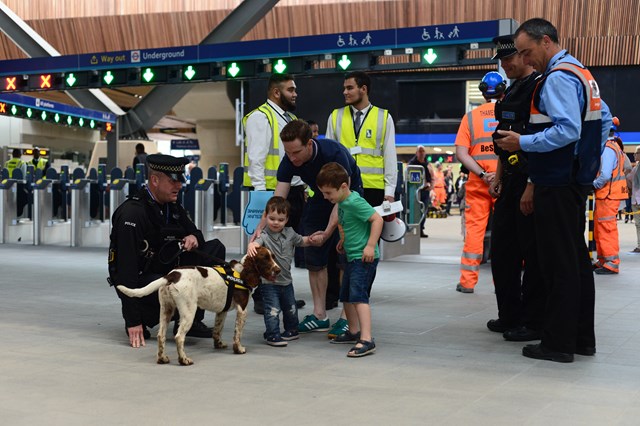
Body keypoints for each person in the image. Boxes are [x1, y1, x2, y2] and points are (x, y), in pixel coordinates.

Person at [496, 18, 612, 363]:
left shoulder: (558, 78)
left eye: (527, 52)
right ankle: (579, 339)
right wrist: (586, 162)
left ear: (546, 41)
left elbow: (567, 129)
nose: (526, 60)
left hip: (556, 182)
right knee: (575, 263)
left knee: (557, 265)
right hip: (572, 180)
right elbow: (603, 120)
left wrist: (523, 141)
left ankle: (558, 343)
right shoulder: (582, 74)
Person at [254, 119, 363, 334]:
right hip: (320, 198)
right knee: (314, 255)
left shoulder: (334, 153)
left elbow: (341, 200)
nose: (292, 158)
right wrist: (262, 226)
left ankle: (346, 317)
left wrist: (330, 232)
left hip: (349, 198)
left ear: (310, 144)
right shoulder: (289, 159)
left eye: (296, 152)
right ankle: (320, 315)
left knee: (346, 257)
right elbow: (279, 197)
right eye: (288, 152)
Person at [109, 154, 224, 348]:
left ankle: (191, 319)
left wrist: (193, 237)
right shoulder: (133, 213)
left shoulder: (172, 206)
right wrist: (133, 320)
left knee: (214, 249)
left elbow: (195, 232)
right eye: (173, 181)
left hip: (167, 271)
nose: (179, 186)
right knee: (161, 284)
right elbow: (124, 270)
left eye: (180, 180)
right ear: (154, 180)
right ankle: (145, 317)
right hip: (147, 283)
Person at [487, 34, 545, 342]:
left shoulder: (538, 87)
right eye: (503, 60)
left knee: (530, 252)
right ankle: (509, 314)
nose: (506, 64)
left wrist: (530, 186)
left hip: (528, 180)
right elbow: (501, 140)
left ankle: (532, 319)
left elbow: (539, 141)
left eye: (511, 58)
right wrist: (498, 176)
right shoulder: (510, 91)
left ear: (525, 55)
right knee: (502, 251)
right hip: (509, 179)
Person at [243, 73, 306, 314]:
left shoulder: (289, 117)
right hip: (271, 193)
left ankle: (281, 291)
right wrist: (262, 199)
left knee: (283, 248)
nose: (295, 94)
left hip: (292, 191)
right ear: (276, 92)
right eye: (291, 90)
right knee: (266, 247)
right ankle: (262, 297)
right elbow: (256, 160)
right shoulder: (261, 117)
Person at [316, 162, 383, 357]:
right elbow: (345, 223)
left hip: (364, 258)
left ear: (344, 187)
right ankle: (353, 331)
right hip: (351, 255)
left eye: (328, 193)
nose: (325, 197)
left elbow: (376, 219)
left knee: (359, 296)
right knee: (345, 295)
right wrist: (343, 240)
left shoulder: (355, 202)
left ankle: (367, 339)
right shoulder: (342, 202)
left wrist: (370, 245)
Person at [453, 71, 502, 293]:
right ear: (503, 90)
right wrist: (497, 175)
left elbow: (462, 154)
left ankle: (467, 282)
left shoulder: (470, 118)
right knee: (506, 233)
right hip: (504, 184)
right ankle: (503, 282)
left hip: (478, 185)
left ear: (482, 92)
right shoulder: (509, 114)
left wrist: (484, 175)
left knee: (474, 232)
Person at [247, 196, 318, 347]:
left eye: (280, 219)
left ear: (286, 220)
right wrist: (252, 245)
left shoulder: (291, 233)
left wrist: (311, 240)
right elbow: (256, 243)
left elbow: (301, 241)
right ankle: (272, 334)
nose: (275, 222)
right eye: (272, 218)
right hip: (269, 283)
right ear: (265, 216)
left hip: (287, 281)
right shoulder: (264, 235)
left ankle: (292, 330)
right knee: (272, 309)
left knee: (290, 307)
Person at [326, 71, 397, 207]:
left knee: (373, 228)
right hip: (344, 187)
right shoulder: (335, 116)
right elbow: (329, 157)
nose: (345, 92)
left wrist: (390, 191)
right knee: (346, 228)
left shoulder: (384, 117)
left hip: (374, 189)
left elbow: (390, 157)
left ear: (363, 89)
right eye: (344, 88)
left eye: (350, 88)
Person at [592, 117, 629, 275]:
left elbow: (605, 174)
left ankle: (611, 263)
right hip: (608, 195)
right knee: (600, 228)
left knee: (606, 228)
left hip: (607, 195)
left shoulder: (607, 148)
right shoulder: (614, 146)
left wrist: (593, 184)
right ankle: (603, 260)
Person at [408, 145, 433, 237]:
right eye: (420, 151)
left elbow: (431, 177)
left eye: (423, 151)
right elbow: (410, 178)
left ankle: (421, 229)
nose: (422, 153)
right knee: (415, 210)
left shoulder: (427, 164)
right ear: (416, 153)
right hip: (415, 191)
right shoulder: (412, 163)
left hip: (425, 191)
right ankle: (415, 229)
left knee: (424, 210)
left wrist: (430, 185)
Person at [628, 146, 640, 252]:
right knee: (638, 224)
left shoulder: (637, 168)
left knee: (638, 224)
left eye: (636, 153)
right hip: (636, 199)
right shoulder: (636, 167)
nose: (634, 155)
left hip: (637, 200)